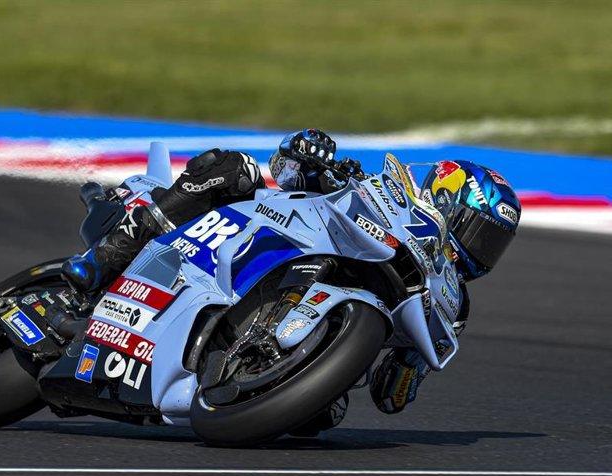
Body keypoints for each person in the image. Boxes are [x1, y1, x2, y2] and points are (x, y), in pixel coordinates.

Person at [63, 128, 522, 422]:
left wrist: (407, 371)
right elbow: (284, 172)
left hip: (302, 352)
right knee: (233, 168)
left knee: (322, 419)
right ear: (443, 198)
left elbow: (391, 398)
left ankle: (240, 369)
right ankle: (109, 254)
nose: (480, 248)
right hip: (241, 237)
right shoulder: (377, 193)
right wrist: (307, 152)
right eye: (477, 230)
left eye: (492, 242)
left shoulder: (450, 305)